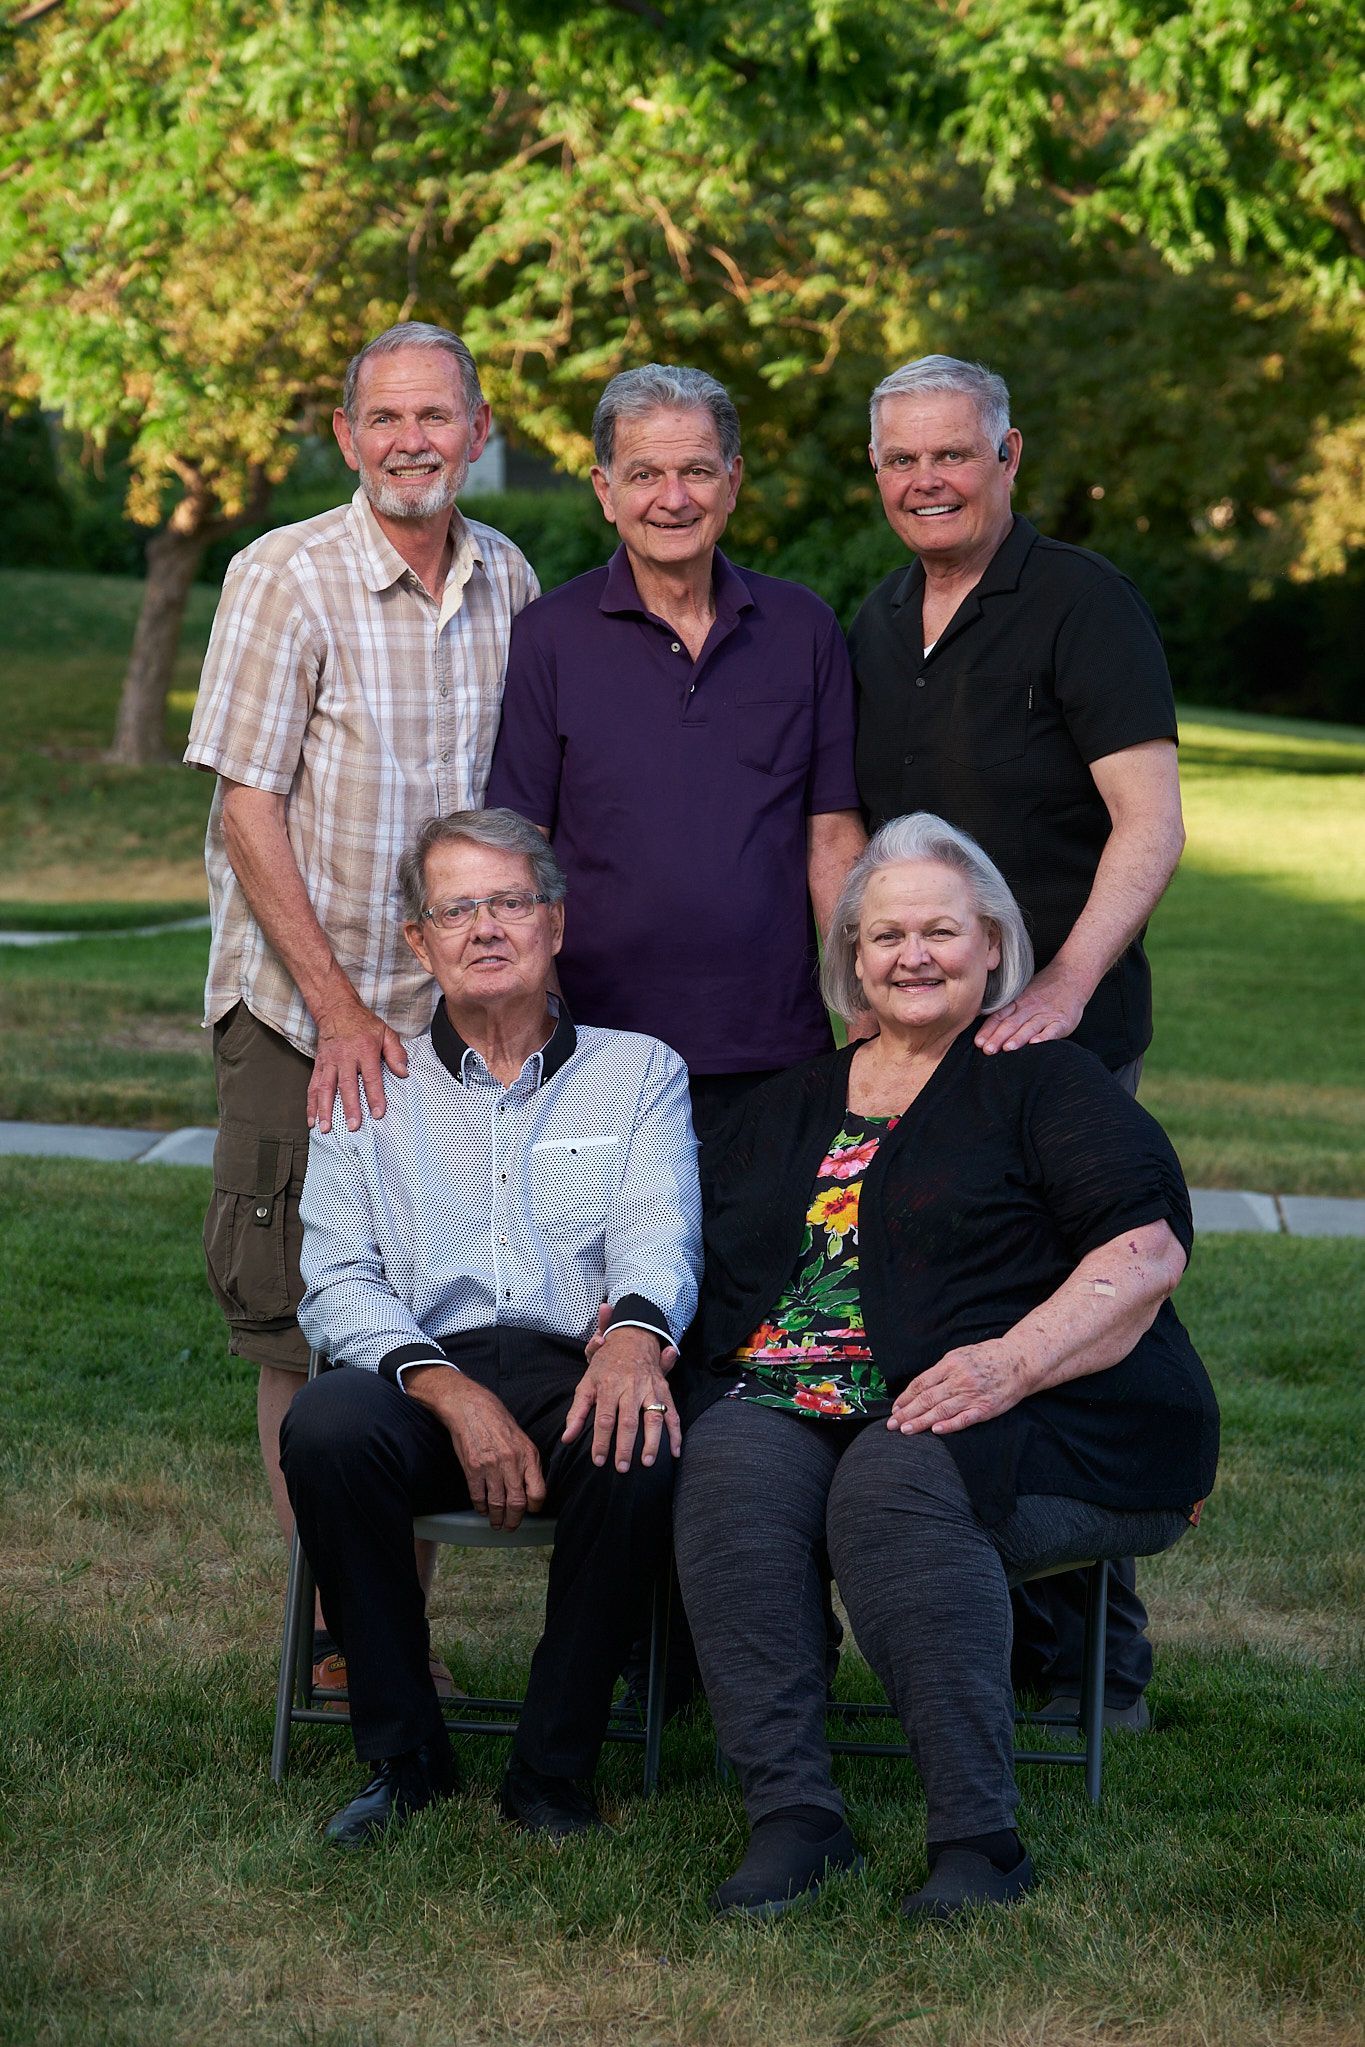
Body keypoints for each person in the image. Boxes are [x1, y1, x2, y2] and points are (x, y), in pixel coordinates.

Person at [672, 813, 1217, 1920]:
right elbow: (702, 1256)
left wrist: (1007, 1365)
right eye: (886, 936)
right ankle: (795, 1814)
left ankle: (978, 1834)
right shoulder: (789, 1102)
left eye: (940, 931)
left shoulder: (1042, 1081)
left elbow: (1145, 1248)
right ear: (852, 961)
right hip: (799, 1393)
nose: (913, 954)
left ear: (991, 947)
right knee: (726, 1462)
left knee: (899, 1475)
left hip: (1048, 1408)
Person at [185, 322, 539, 1695]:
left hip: (454, 1035)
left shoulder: (509, 575)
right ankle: (346, 1640)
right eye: (383, 418)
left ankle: (396, 1634)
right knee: (298, 1326)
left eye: (435, 417)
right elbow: (247, 806)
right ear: (345, 438)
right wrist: (337, 1012)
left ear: (478, 427)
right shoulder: (286, 575)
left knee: (429, 1323)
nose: (410, 440)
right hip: (303, 1018)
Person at [848, 354, 1189, 1726]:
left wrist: (1062, 986)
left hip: (1058, 1044)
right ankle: (980, 1621)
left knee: (1071, 1322)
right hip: (921, 1038)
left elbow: (1148, 823)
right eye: (900, 462)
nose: (926, 480)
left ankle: (1095, 1655)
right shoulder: (875, 619)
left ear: (1007, 457)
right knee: (931, 1312)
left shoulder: (1080, 604)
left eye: (951, 454)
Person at [280, 808, 701, 1845]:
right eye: (456, 908)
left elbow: (662, 1235)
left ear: (555, 921)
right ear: (420, 942)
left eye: (509, 900)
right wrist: (446, 1387)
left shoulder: (639, 1069)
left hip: (577, 1362)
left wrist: (635, 1340)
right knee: (327, 1425)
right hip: (425, 1378)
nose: (486, 927)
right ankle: (403, 1758)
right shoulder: (365, 1080)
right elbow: (335, 1277)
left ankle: (552, 1772)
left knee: (638, 1435)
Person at [485, 362, 868, 1146]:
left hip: (776, 1043)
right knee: (610, 1270)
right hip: (596, 1048)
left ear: (732, 480)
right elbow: (521, 855)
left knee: (763, 1268)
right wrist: (540, 1026)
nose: (673, 497)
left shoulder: (803, 630)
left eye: (696, 470)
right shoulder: (549, 638)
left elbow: (831, 839)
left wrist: (859, 1012)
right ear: (603, 490)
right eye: (644, 474)